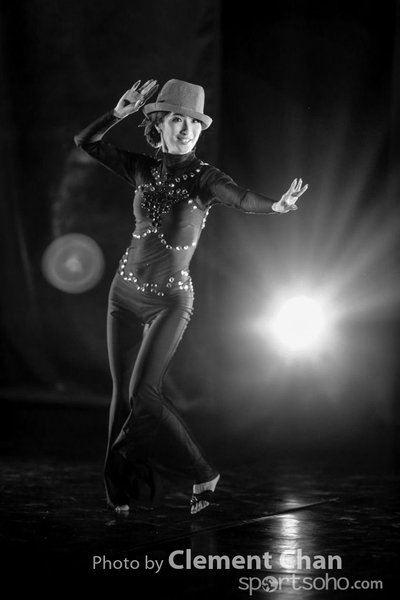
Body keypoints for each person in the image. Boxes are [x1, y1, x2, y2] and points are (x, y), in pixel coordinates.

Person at [74, 78, 308, 515]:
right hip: (123, 294)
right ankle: (118, 491)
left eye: (195, 122)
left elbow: (240, 197)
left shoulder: (205, 178)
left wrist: (275, 206)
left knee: (144, 393)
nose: (187, 129)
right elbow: (86, 142)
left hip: (171, 300)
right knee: (121, 396)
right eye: (178, 120)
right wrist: (117, 114)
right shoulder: (141, 169)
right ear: (159, 123)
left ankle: (203, 472)